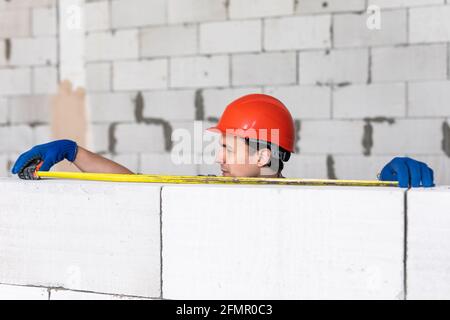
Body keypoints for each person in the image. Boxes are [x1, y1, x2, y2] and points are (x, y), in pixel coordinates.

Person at [11, 94, 434, 188]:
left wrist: (387, 185)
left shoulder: (311, 197)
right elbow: (134, 185)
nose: (218, 155)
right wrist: (73, 152)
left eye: (229, 147)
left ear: (264, 154)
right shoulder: (209, 189)